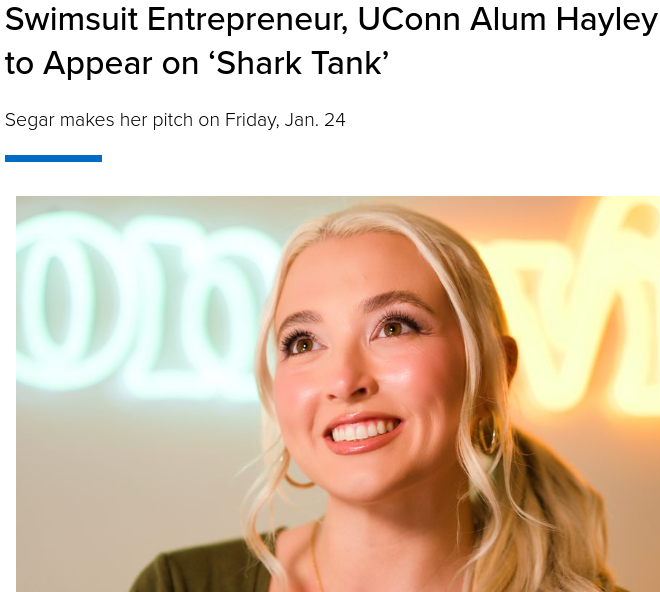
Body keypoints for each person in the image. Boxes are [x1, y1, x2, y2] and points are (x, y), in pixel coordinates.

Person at [131, 204, 629, 592]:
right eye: (303, 342)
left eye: (393, 327)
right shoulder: (179, 585)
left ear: (493, 372)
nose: (345, 381)